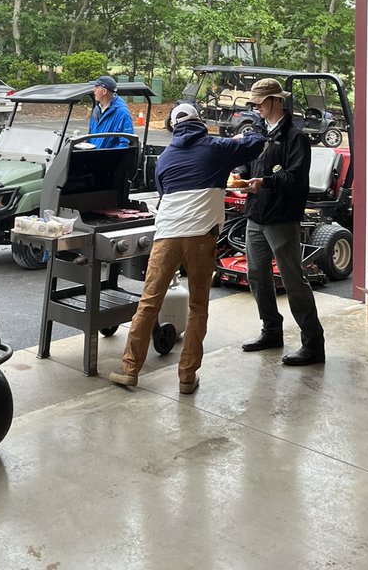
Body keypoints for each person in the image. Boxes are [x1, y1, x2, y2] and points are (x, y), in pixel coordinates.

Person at [108, 103, 264, 393]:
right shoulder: (217, 147)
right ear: (199, 122)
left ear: (173, 127)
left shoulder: (165, 157)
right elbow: (257, 144)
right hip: (201, 238)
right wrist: (248, 130)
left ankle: (130, 370)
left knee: (149, 303)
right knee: (197, 307)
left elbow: (166, 191)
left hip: (166, 237)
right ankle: (187, 377)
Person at [239, 77, 325, 366]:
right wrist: (239, 174)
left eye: (261, 102)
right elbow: (248, 164)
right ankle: (271, 330)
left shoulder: (295, 137)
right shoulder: (256, 132)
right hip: (256, 214)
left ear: (277, 100)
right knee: (256, 274)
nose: (257, 108)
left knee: (292, 279)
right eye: (254, 103)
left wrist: (264, 182)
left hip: (282, 217)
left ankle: (313, 343)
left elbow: (297, 179)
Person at [88, 75, 134, 148]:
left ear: (104, 91)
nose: (94, 90)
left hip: (109, 158)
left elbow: (125, 144)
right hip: (93, 157)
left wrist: (109, 157)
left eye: (96, 87)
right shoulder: (96, 110)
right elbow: (90, 136)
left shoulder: (122, 113)